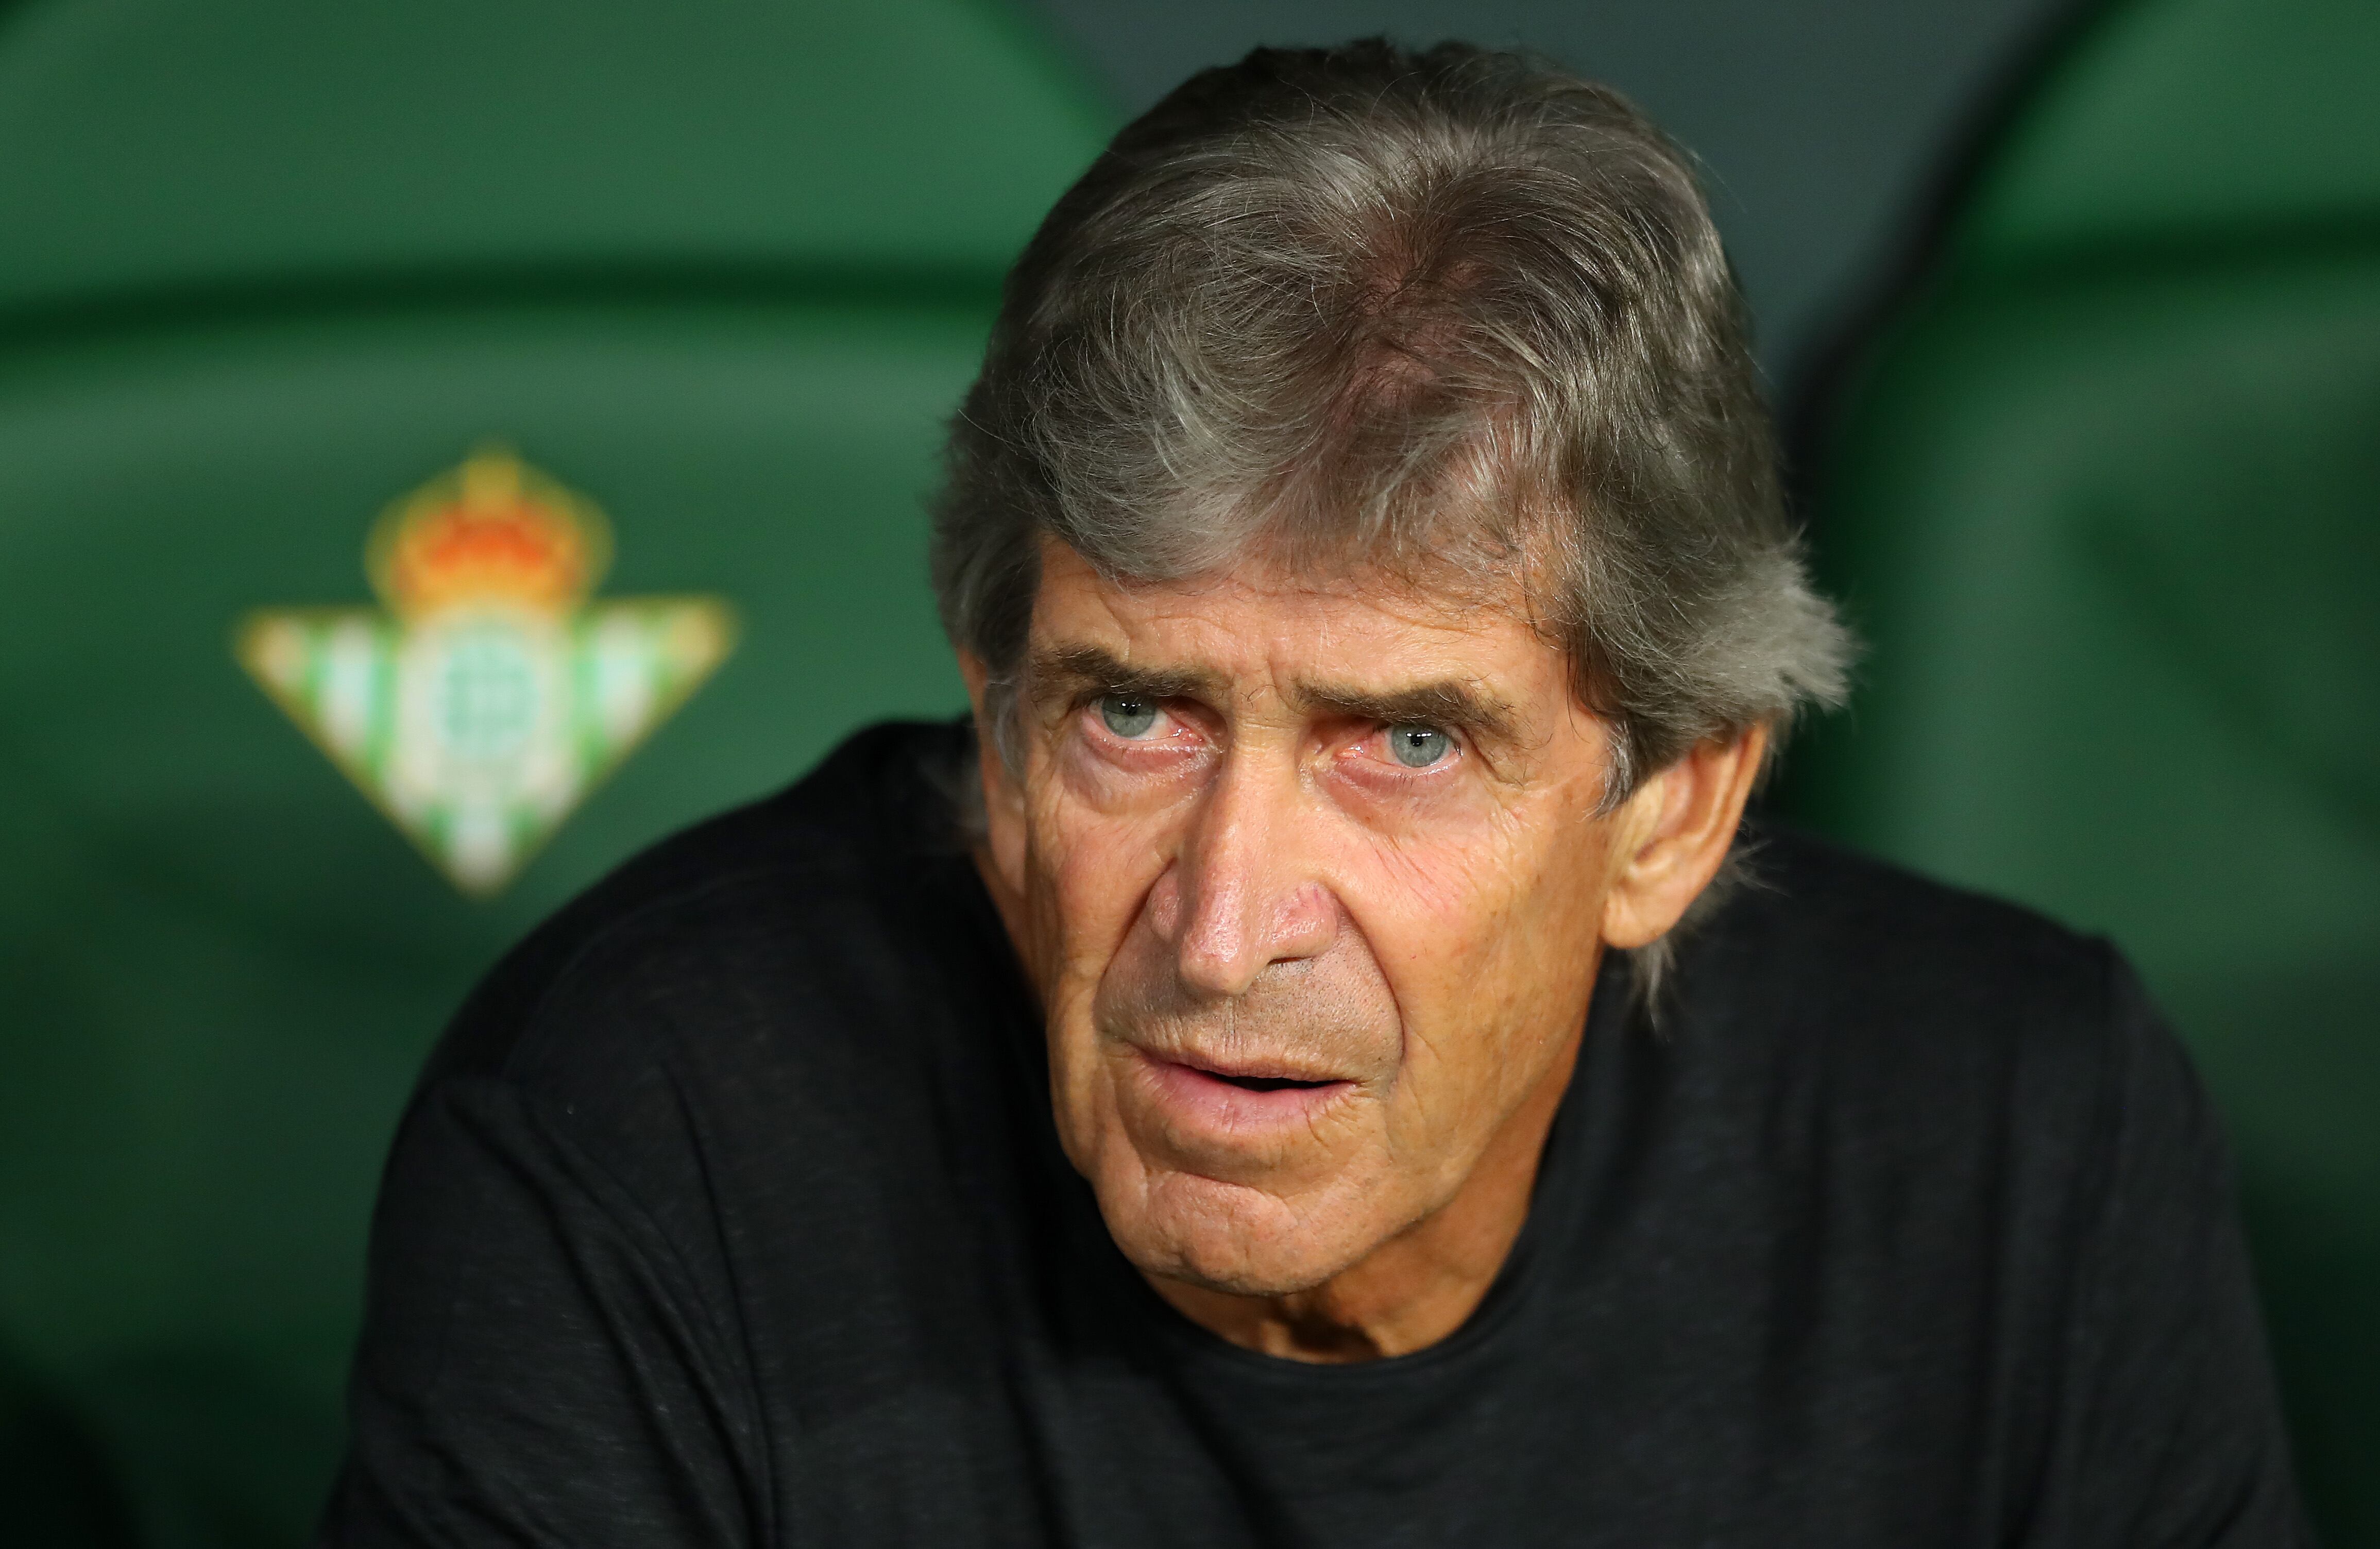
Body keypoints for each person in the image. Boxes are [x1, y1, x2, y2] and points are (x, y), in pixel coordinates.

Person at [318, 40, 2308, 1547]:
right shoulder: (632, 1137)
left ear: (1672, 811)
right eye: (1135, 719)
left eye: (1406, 743)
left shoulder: (2024, 1136)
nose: (1222, 920)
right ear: (989, 716)